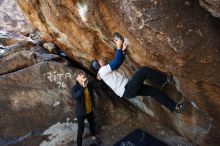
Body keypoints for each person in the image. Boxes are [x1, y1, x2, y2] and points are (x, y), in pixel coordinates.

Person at [90, 32, 185, 113]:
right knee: (143, 71)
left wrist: (122, 51)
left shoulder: (104, 71)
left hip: (127, 90)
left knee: (154, 92)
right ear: (97, 66)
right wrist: (118, 46)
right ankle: (165, 80)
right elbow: (116, 62)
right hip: (127, 89)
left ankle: (174, 107)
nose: (100, 59)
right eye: (98, 61)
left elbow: (118, 64)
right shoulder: (102, 71)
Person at [72, 70, 101, 146]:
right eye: (80, 75)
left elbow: (98, 86)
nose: (83, 75)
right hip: (81, 113)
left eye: (83, 74)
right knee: (80, 131)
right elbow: (76, 96)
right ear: (76, 78)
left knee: (92, 124)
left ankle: (94, 137)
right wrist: (83, 87)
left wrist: (99, 79)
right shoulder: (75, 88)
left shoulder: (89, 84)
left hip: (90, 110)